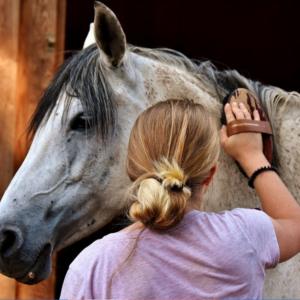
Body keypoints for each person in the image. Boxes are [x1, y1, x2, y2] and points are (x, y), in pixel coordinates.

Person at [60, 99, 300, 299]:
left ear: (132, 171)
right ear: (210, 174)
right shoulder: (244, 234)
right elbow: (295, 226)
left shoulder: (91, 268)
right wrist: (252, 156)